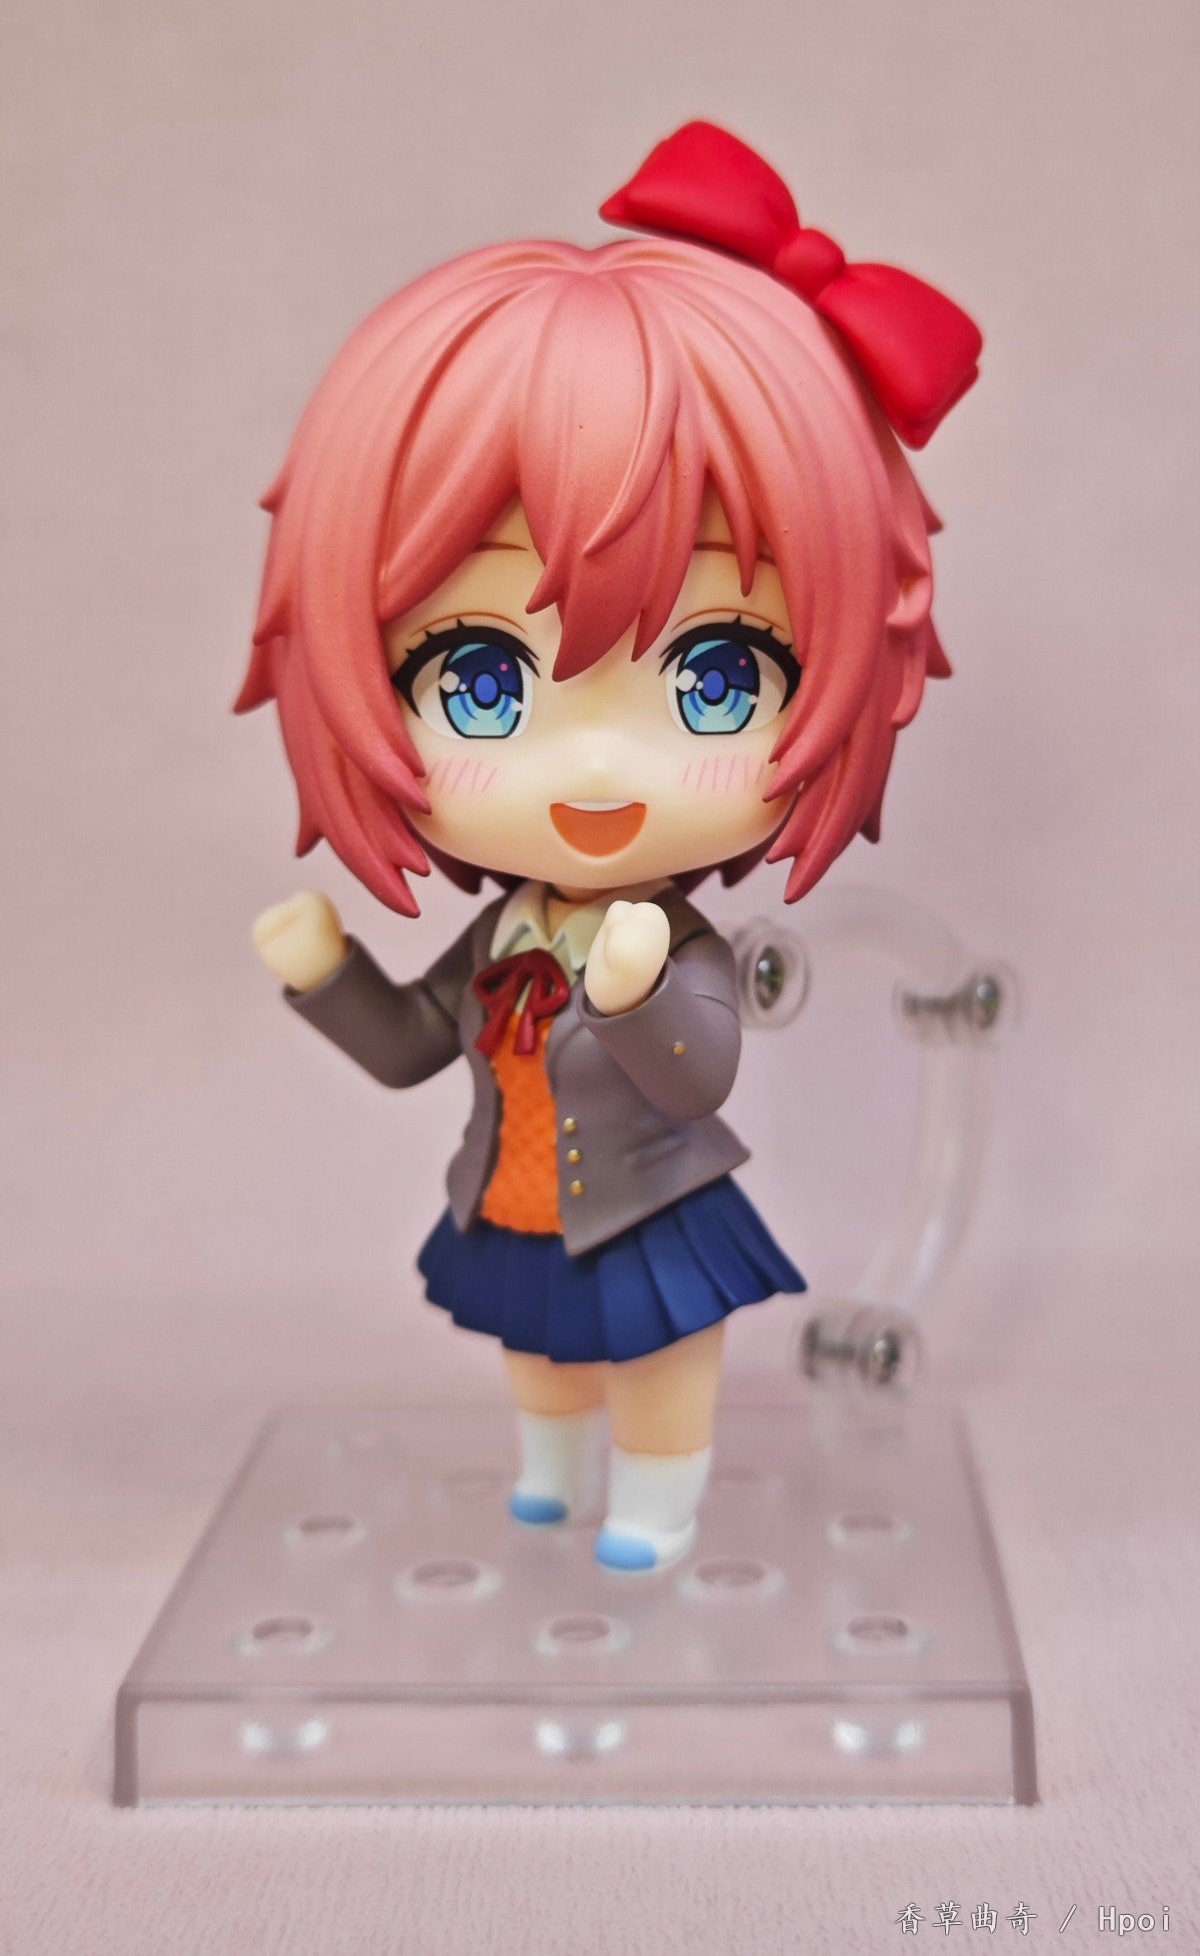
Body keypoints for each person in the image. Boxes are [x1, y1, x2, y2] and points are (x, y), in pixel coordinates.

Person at [238, 120, 981, 1571]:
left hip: (647, 1205)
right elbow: (413, 1046)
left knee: (659, 1353)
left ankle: (658, 1494)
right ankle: (549, 1465)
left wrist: (639, 994)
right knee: (535, 1347)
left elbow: (700, 1074)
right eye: (479, 681)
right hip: (516, 1200)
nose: (593, 767)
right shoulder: (505, 932)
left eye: (717, 675)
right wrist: (325, 972)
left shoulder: (666, 942)